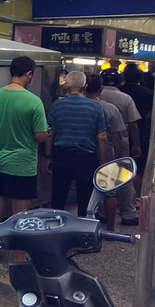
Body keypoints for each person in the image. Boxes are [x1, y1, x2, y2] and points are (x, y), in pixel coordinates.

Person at [0, 56, 48, 263]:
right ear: (29, 74)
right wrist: (46, 134)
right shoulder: (34, 101)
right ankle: (19, 257)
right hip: (22, 165)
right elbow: (40, 136)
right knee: (20, 212)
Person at [46, 71, 109, 218]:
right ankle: (82, 231)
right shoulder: (96, 107)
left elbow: (50, 134)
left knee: (59, 197)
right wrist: (102, 161)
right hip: (87, 158)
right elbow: (103, 137)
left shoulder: (57, 105)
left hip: (62, 157)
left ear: (66, 86)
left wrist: (48, 156)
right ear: (85, 86)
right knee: (85, 198)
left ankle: (57, 228)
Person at [96, 69, 140, 226]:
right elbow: (133, 124)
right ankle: (128, 213)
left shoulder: (94, 97)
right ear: (121, 81)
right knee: (124, 177)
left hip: (98, 144)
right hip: (121, 142)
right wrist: (137, 145)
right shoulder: (125, 98)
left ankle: (102, 211)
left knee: (102, 177)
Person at [85, 74, 126, 231]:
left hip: (85, 152)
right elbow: (116, 136)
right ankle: (110, 227)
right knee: (110, 190)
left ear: (84, 88)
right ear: (101, 89)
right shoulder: (110, 108)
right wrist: (120, 157)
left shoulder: (81, 106)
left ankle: (85, 223)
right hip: (107, 154)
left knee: (86, 189)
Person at [120, 64, 154, 197]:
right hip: (141, 133)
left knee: (120, 166)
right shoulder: (148, 93)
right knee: (137, 168)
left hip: (120, 132)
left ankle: (120, 197)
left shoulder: (120, 91)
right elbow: (150, 116)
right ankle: (137, 197)